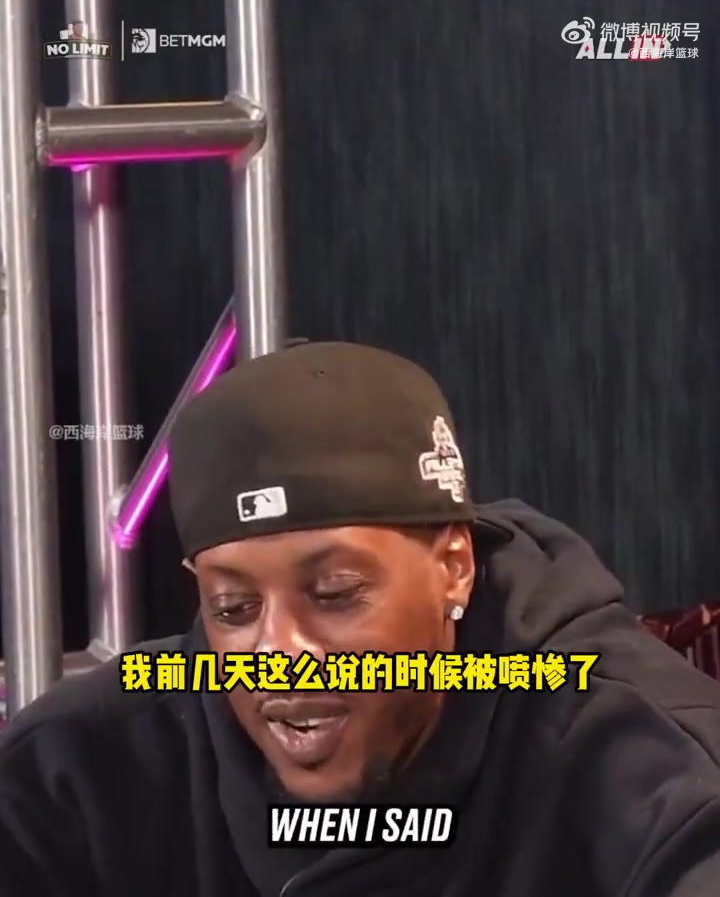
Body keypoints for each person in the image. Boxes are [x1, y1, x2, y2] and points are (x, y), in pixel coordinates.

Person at [1, 340, 719, 897]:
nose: (278, 652)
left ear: (454, 567)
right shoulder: (79, 768)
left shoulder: (636, 749)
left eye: (336, 593)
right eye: (235, 609)